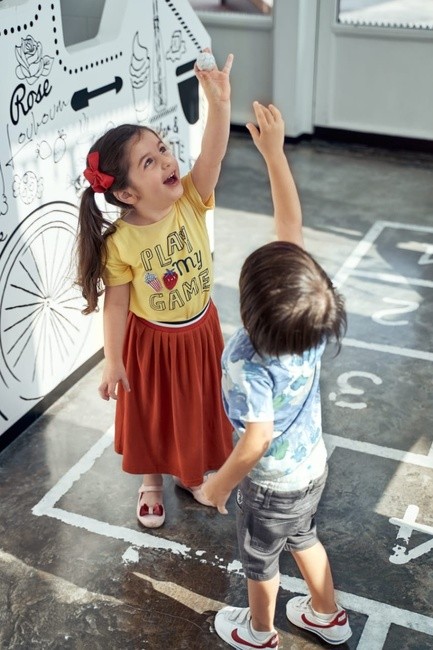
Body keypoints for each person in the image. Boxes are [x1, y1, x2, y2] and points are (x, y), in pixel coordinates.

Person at [202, 102, 352, 648]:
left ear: (249, 310)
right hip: (312, 468)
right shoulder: (310, 320)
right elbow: (291, 227)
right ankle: (327, 615)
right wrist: (274, 153)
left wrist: (219, 484)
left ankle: (260, 632)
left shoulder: (245, 359)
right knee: (304, 537)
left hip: (269, 487)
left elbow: (256, 440)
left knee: (260, 561)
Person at [76, 50, 234, 529]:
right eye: (150, 160)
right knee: (153, 413)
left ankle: (190, 471)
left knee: (194, 406)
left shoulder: (191, 197)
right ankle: (150, 481)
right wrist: (114, 359)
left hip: (199, 330)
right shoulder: (121, 241)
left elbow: (213, 153)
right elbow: (117, 305)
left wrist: (219, 104)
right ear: (127, 194)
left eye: (163, 148)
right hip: (152, 342)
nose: (167, 159)